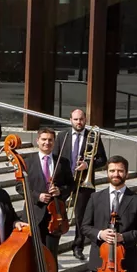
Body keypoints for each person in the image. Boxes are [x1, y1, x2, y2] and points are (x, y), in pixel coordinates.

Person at [55, 109, 107, 261]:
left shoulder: (94, 136)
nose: (79, 122)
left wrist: (87, 164)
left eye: (81, 119)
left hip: (84, 182)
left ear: (85, 120)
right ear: (70, 120)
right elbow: (55, 157)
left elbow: (103, 159)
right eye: (76, 119)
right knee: (57, 213)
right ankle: (54, 244)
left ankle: (78, 247)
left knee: (81, 217)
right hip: (64, 181)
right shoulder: (62, 136)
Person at [26, 126, 71, 272]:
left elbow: (70, 185)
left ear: (54, 142)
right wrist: (37, 196)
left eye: (50, 140)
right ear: (37, 141)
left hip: (56, 215)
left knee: (52, 252)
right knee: (34, 251)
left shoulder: (62, 162)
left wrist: (60, 191)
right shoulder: (28, 162)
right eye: (44, 139)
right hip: (35, 213)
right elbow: (20, 187)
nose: (47, 143)